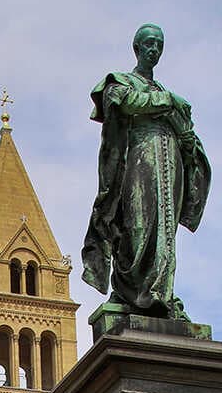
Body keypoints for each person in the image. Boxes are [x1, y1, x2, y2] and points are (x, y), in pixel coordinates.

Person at [82, 24, 211, 322]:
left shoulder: (163, 92)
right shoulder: (121, 81)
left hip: (170, 164)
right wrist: (169, 101)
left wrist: (188, 142)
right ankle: (130, 293)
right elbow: (122, 102)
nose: (154, 50)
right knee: (136, 225)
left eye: (159, 45)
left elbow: (186, 131)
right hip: (139, 159)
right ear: (137, 48)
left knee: (165, 231)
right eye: (149, 44)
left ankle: (160, 294)